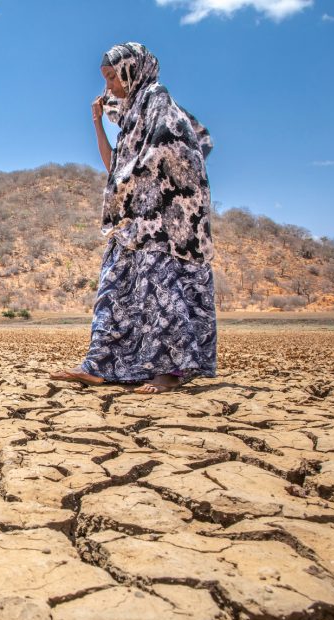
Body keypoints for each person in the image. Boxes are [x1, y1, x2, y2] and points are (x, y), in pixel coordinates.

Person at [51, 42, 217, 394]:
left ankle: (173, 372)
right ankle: (100, 365)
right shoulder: (129, 117)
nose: (109, 86)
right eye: (106, 78)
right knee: (114, 291)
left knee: (163, 294)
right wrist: (98, 124)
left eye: (112, 76)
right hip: (132, 222)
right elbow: (115, 167)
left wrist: (133, 173)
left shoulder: (157, 99)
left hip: (164, 224)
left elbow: (170, 146)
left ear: (131, 70)